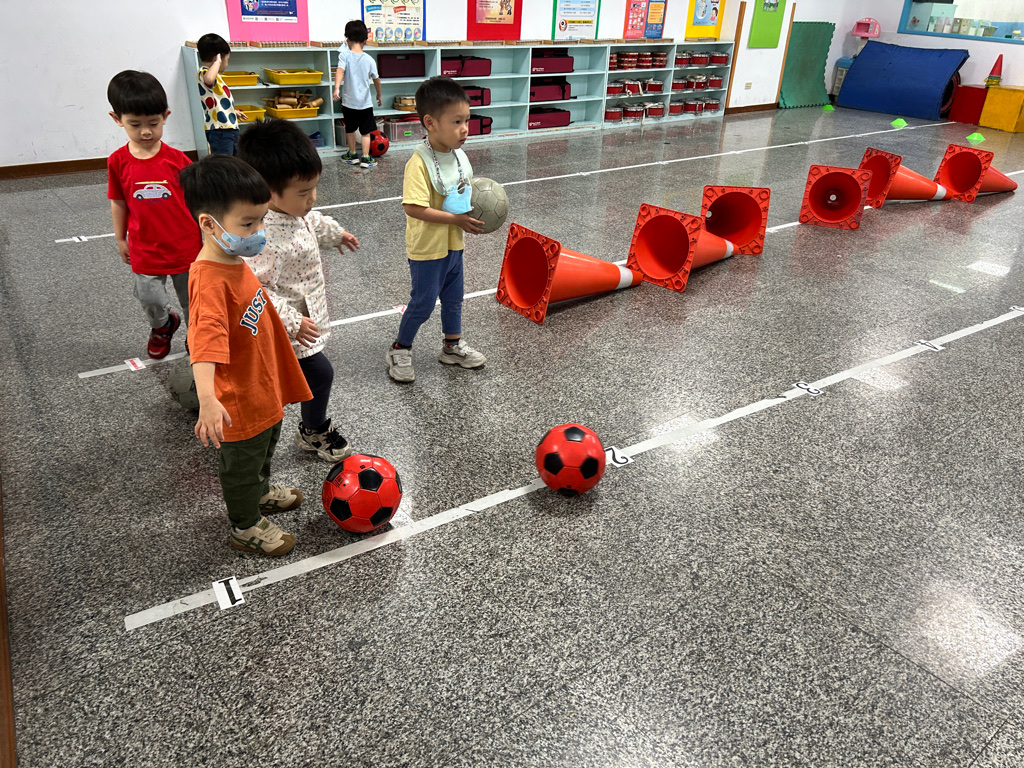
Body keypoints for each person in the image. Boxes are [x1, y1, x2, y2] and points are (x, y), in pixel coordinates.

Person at [179, 155, 313, 557]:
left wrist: (291, 326)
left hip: (260, 383)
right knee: (241, 463)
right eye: (248, 224)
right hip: (237, 397)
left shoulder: (233, 259)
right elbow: (203, 343)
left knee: (266, 444)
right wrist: (208, 399)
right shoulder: (209, 279)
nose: (258, 232)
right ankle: (244, 524)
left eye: (261, 221)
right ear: (209, 224)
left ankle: (261, 490)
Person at [238, 118, 360, 462]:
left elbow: (312, 221)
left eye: (314, 188)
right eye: (304, 193)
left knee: (309, 378)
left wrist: (336, 234)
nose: (312, 198)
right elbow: (254, 290)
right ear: (268, 190)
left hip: (303, 321)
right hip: (284, 330)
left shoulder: (293, 212)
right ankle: (312, 430)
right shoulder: (263, 239)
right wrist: (291, 321)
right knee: (319, 375)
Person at [386, 77, 487, 383]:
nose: (465, 129)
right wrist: (455, 219)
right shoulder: (418, 163)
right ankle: (400, 348)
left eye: (467, 120)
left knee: (454, 299)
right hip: (428, 248)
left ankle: (451, 347)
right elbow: (413, 208)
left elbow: (462, 192)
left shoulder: (458, 156)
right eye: (456, 122)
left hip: (454, 244)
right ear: (430, 123)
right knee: (423, 303)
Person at [107, 70, 201, 360]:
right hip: (145, 248)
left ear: (165, 116)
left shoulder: (178, 160)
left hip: (186, 246)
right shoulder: (117, 161)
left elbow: (198, 199)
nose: (146, 132)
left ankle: (198, 338)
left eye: (153, 123)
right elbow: (118, 202)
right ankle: (163, 325)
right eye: (135, 124)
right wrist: (120, 238)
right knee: (150, 298)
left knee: (193, 301)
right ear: (117, 119)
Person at [332, 20, 383, 169]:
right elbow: (376, 80)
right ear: (365, 41)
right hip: (365, 104)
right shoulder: (369, 60)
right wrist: (379, 95)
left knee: (350, 129)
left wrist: (336, 89)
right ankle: (366, 158)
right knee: (366, 132)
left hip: (349, 103)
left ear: (347, 39)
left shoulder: (344, 56)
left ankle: (352, 154)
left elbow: (340, 71)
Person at [196, 33, 247, 156]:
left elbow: (217, 102)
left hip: (229, 128)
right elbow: (209, 79)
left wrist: (232, 112)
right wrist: (218, 61)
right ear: (217, 57)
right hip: (220, 131)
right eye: (227, 59)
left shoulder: (216, 77)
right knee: (224, 162)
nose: (226, 64)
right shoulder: (204, 73)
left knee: (235, 160)